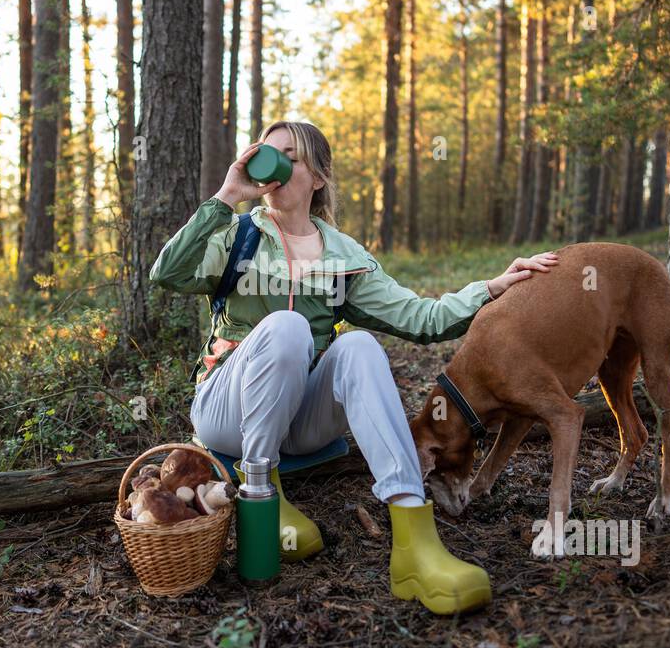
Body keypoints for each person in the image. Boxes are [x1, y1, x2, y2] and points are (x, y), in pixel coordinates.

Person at [149, 120, 557, 614]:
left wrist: (491, 287)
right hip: (227, 413)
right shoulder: (236, 236)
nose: (272, 166)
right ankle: (263, 497)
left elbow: (421, 319)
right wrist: (226, 196)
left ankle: (414, 541)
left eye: (289, 157)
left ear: (318, 176)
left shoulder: (344, 255)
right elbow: (167, 273)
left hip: (299, 422)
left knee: (359, 344)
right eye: (266, 153)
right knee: (287, 328)